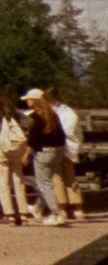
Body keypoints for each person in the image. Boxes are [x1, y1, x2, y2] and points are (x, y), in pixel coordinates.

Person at [0, 88, 28, 224]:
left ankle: (9, 214)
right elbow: (29, 122)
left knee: (1, 180)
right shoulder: (11, 108)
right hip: (15, 146)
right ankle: (23, 213)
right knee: (18, 179)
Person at [24, 87, 66, 226]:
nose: (27, 102)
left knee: (44, 184)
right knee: (48, 182)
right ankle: (38, 207)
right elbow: (61, 135)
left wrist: (26, 155)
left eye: (28, 99)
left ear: (34, 101)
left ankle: (56, 214)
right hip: (57, 151)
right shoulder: (52, 115)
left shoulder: (36, 117)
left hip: (43, 152)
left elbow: (33, 140)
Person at [52, 90, 85, 219]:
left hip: (63, 147)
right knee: (69, 177)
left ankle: (64, 209)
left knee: (59, 177)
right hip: (67, 148)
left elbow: (67, 130)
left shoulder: (66, 112)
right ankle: (76, 208)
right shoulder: (69, 112)